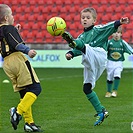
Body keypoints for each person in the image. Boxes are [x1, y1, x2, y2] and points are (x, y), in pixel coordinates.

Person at [61, 7, 129, 126]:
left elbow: (108, 27)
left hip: (99, 55)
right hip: (91, 61)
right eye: (83, 18)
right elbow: (79, 49)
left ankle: (72, 42)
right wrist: (71, 53)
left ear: (94, 21)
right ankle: (101, 111)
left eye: (88, 17)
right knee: (86, 88)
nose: (85, 19)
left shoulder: (98, 30)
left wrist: (119, 22)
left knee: (84, 47)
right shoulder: (82, 36)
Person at [0, 4, 43, 132]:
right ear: (7, 17)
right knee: (36, 88)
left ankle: (29, 123)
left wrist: (16, 31)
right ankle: (17, 112)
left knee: (24, 92)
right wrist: (27, 51)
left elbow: (7, 41)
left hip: (6, 63)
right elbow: (16, 43)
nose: (13, 17)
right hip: (17, 59)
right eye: (12, 14)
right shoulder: (9, 28)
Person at [105, 26, 133, 98]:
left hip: (119, 62)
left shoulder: (122, 43)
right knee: (110, 77)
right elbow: (104, 50)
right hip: (110, 62)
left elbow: (130, 50)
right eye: (115, 32)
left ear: (121, 34)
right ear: (112, 34)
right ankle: (108, 91)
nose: (116, 34)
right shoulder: (109, 42)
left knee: (117, 74)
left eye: (118, 33)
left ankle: (115, 90)